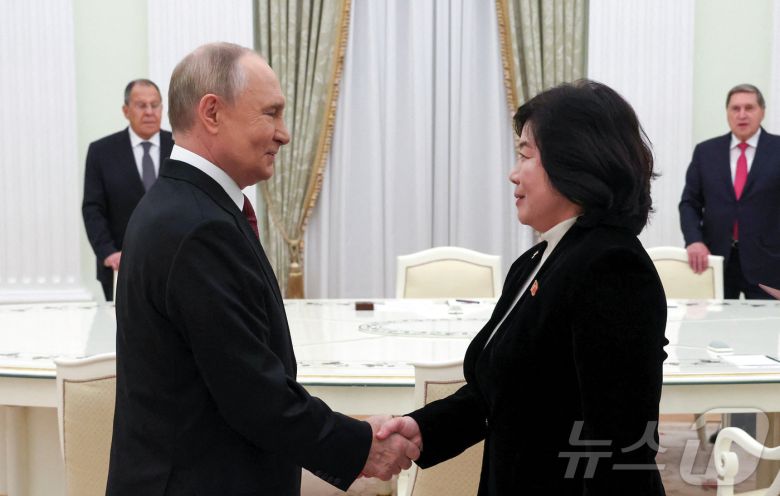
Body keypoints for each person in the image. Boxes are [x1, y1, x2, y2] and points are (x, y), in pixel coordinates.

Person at [106, 43, 419, 495]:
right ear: (212, 113)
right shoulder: (199, 226)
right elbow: (252, 393)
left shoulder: (182, 206)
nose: (284, 134)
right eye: (271, 113)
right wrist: (359, 446)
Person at [378, 80, 669, 494]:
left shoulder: (611, 266)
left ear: (574, 161)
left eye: (525, 155)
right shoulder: (538, 261)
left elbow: (618, 445)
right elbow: (500, 393)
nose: (513, 173)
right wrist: (423, 429)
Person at [679, 84, 780, 298]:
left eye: (749, 108)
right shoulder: (706, 152)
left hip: (769, 263)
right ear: (727, 112)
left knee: (767, 320)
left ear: (762, 111)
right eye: (735, 108)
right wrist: (694, 240)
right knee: (713, 320)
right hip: (716, 261)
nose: (742, 115)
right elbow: (689, 203)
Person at [82, 79, 174, 301]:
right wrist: (108, 252)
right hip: (121, 266)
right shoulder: (101, 152)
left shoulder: (180, 147)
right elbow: (93, 209)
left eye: (155, 105)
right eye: (141, 105)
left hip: (174, 265)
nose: (149, 112)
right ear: (126, 111)